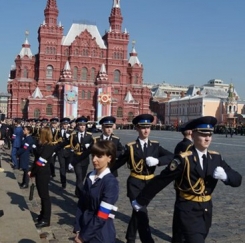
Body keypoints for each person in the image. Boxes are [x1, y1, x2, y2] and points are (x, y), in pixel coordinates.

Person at [133, 116, 242, 243]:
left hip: (205, 211)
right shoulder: (183, 159)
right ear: (193, 135)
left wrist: (226, 177)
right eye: (203, 134)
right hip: (187, 209)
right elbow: (162, 180)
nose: (207, 138)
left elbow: (238, 179)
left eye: (210, 135)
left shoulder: (216, 158)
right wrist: (141, 200)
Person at [111, 114, 174, 243]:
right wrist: (103, 172)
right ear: (137, 129)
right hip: (135, 183)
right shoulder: (131, 147)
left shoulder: (155, 146)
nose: (146, 130)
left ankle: (130, 237)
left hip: (149, 185)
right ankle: (147, 240)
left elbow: (172, 156)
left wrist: (158, 161)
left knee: (137, 211)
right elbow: (119, 163)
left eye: (148, 127)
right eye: (143, 127)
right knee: (141, 212)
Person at [73, 140, 119, 243]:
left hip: (100, 233)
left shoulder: (111, 183)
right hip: (85, 226)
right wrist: (78, 227)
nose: (94, 160)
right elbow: (82, 203)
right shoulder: (90, 176)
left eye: (99, 156)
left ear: (109, 158)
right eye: (93, 155)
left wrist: (83, 237)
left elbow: (102, 215)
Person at [28, 127, 67, 228]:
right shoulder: (42, 144)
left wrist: (32, 172)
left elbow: (40, 161)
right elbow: (36, 158)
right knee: (42, 196)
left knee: (45, 197)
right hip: (39, 172)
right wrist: (31, 170)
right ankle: (42, 214)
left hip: (43, 173)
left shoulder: (48, 147)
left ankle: (46, 219)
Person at [172, 122, 193, 243]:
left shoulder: (180, 144)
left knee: (178, 210)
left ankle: (177, 237)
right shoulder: (189, 147)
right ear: (190, 132)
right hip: (187, 183)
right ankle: (182, 237)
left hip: (179, 182)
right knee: (185, 213)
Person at [70, 116, 94, 197]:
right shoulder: (73, 135)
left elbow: (94, 146)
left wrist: (90, 146)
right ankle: (82, 194)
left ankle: (77, 191)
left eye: (84, 125)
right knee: (79, 176)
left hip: (85, 159)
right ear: (77, 125)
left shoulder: (90, 135)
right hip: (77, 159)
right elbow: (71, 146)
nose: (82, 127)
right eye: (80, 125)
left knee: (82, 177)